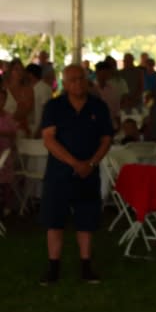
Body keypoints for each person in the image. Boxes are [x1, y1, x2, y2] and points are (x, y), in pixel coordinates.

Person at [38, 64, 113, 286]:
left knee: (86, 219)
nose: (77, 84)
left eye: (81, 79)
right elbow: (49, 139)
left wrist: (91, 163)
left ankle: (86, 265)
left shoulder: (98, 107)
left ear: (87, 80)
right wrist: (74, 163)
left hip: (89, 171)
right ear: (64, 83)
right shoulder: (54, 106)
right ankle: (53, 266)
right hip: (59, 172)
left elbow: (106, 138)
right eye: (72, 80)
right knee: (54, 220)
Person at [26, 63, 52, 138]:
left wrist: (40, 129)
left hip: (40, 129)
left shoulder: (43, 88)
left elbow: (47, 110)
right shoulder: (31, 88)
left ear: (30, 74)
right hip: (32, 128)